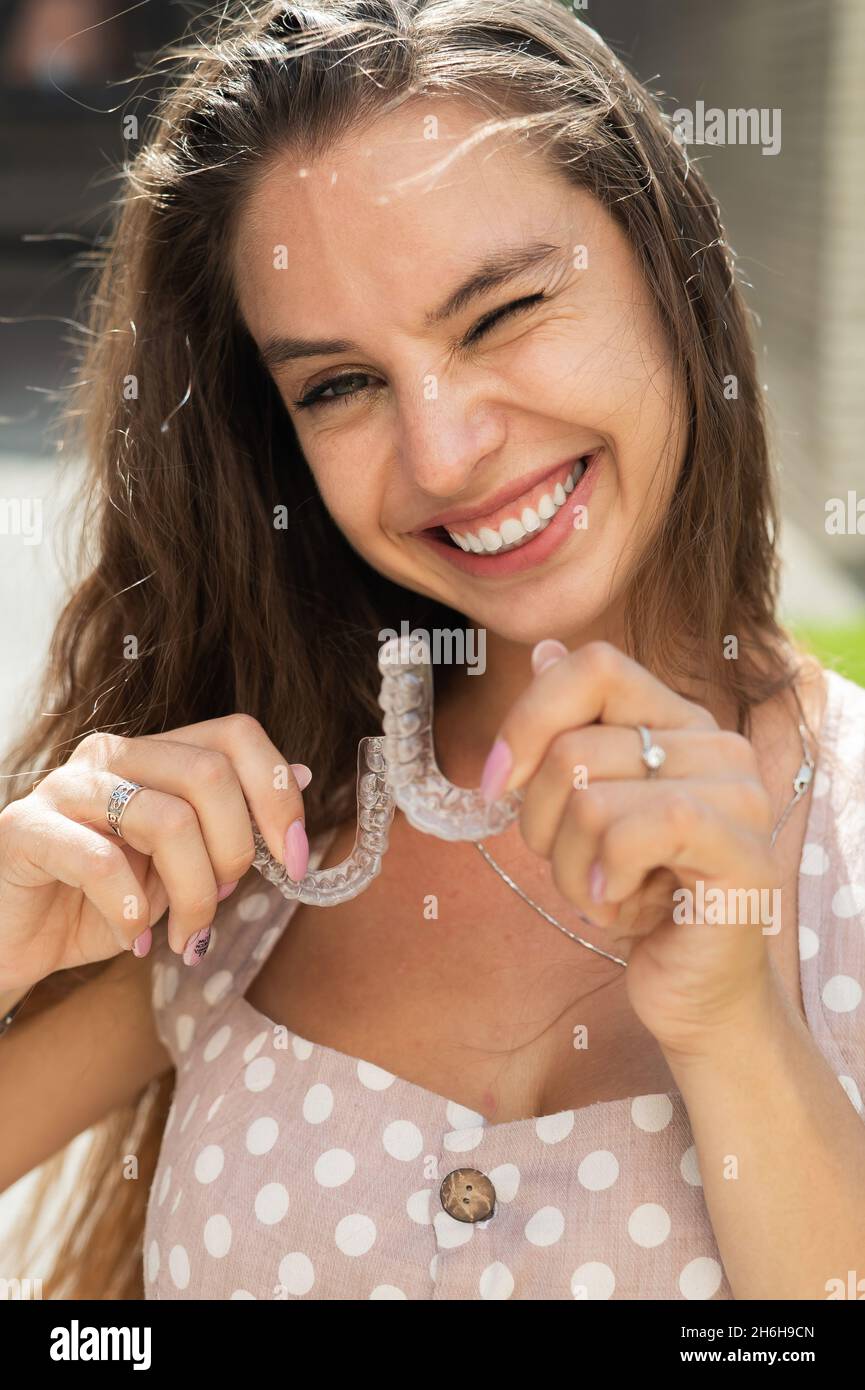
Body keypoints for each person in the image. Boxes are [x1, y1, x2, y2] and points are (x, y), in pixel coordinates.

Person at [1, 0, 863, 1302]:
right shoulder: (250, 845)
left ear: (666, 261)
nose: (444, 451)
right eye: (339, 385)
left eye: (501, 310)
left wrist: (734, 1028)